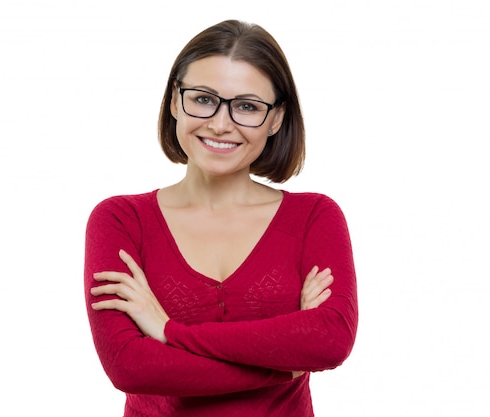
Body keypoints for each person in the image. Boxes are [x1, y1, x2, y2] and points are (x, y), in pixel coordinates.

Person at [84, 19, 358, 417]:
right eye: (203, 98)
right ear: (176, 100)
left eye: (247, 106)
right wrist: (285, 363)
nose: (220, 123)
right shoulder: (120, 220)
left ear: (276, 119)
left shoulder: (314, 217)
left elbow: (330, 341)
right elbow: (130, 366)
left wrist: (168, 332)